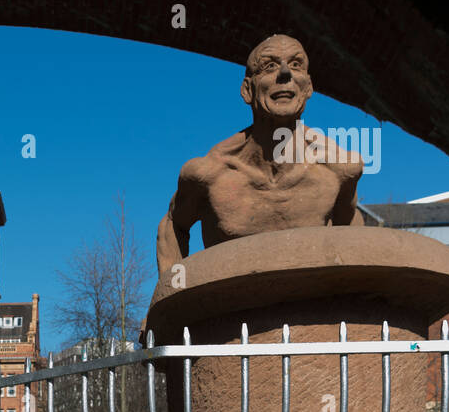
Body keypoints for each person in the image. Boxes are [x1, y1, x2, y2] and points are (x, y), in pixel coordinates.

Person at [155, 34, 364, 279]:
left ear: (308, 87)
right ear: (247, 90)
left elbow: (352, 234)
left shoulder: (337, 170)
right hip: (232, 309)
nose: (285, 73)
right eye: (269, 66)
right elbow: (173, 225)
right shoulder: (210, 174)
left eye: (296, 65)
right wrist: (171, 303)